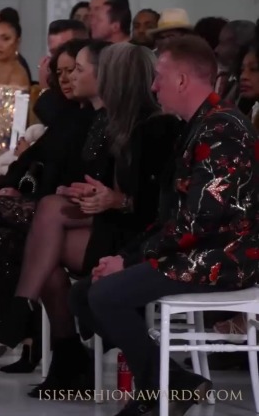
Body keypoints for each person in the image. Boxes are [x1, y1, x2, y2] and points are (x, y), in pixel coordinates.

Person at [70, 35, 259, 416]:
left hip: (227, 256)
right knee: (86, 293)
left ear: (182, 80)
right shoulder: (198, 125)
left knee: (104, 295)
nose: (153, 86)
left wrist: (130, 261)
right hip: (198, 249)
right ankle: (172, 382)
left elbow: (200, 221)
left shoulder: (221, 130)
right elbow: (172, 216)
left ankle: (161, 387)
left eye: (159, 77)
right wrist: (125, 257)